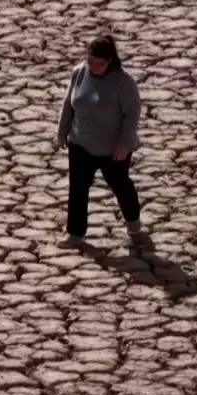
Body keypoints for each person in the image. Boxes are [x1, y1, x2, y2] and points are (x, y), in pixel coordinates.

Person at [55, 35, 144, 248]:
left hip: (112, 148)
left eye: (101, 63)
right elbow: (69, 104)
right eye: (92, 61)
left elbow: (132, 114)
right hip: (80, 142)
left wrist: (125, 142)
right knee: (77, 188)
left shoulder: (123, 82)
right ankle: (75, 232)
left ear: (111, 60)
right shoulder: (79, 73)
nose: (95, 67)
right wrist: (62, 131)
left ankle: (134, 222)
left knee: (120, 185)